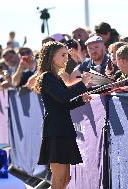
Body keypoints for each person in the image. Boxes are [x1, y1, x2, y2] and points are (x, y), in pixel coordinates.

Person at [34, 41, 92, 189]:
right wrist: (82, 84)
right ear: (51, 56)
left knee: (66, 178)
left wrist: (80, 100)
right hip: (56, 131)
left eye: (67, 54)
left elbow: (64, 104)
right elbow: (63, 97)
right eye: (63, 55)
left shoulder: (56, 77)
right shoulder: (47, 77)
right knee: (59, 179)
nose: (66, 58)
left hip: (63, 130)